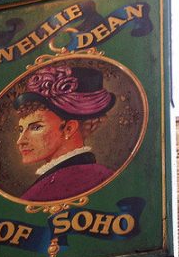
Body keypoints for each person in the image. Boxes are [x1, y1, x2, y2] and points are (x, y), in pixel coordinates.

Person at [13, 65, 116, 202]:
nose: (20, 141)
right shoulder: (103, 175)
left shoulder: (44, 192)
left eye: (36, 127)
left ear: (69, 129)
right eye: (21, 130)